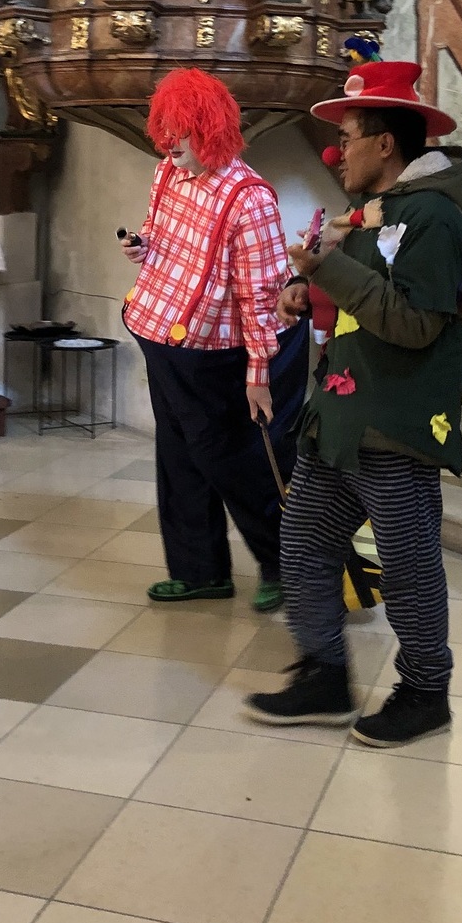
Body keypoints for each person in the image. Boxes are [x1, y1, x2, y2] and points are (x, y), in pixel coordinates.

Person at [245, 60, 462, 746]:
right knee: (303, 541)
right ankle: (324, 676)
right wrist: (307, 288)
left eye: (347, 138)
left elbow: (413, 322)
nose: (336, 151)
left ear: (384, 144)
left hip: (395, 421)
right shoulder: (379, 213)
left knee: (408, 564)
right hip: (343, 415)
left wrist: (328, 268)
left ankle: (426, 693)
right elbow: (362, 292)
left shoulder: (434, 218)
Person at [121, 68, 309, 612]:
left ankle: (285, 566)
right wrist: (143, 248)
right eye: (164, 129)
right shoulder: (168, 172)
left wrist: (259, 374)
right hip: (163, 336)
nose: (168, 142)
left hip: (221, 354)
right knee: (178, 456)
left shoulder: (250, 199)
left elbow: (262, 297)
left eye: (180, 131)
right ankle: (199, 571)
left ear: (210, 130)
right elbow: (161, 234)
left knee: (237, 463)